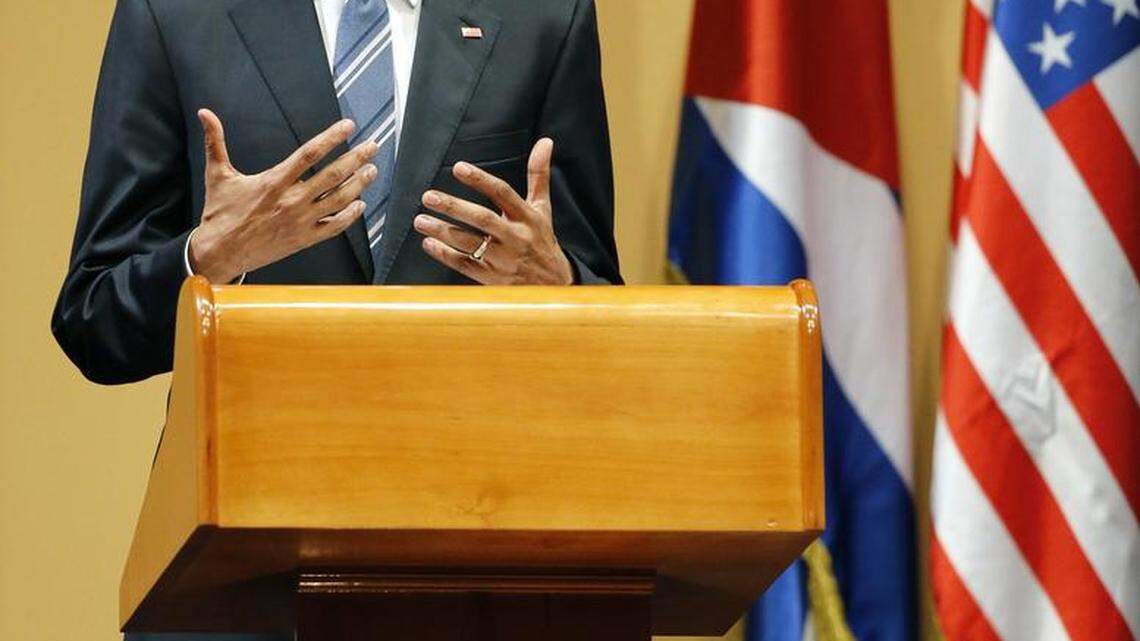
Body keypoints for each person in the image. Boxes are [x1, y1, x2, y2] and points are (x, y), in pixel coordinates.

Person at [52, 0, 621, 388]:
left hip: (485, 499)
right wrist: (208, 260)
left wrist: (560, 286)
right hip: (251, 505)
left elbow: (608, 313)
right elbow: (93, 324)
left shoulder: (545, 14)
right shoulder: (174, 14)